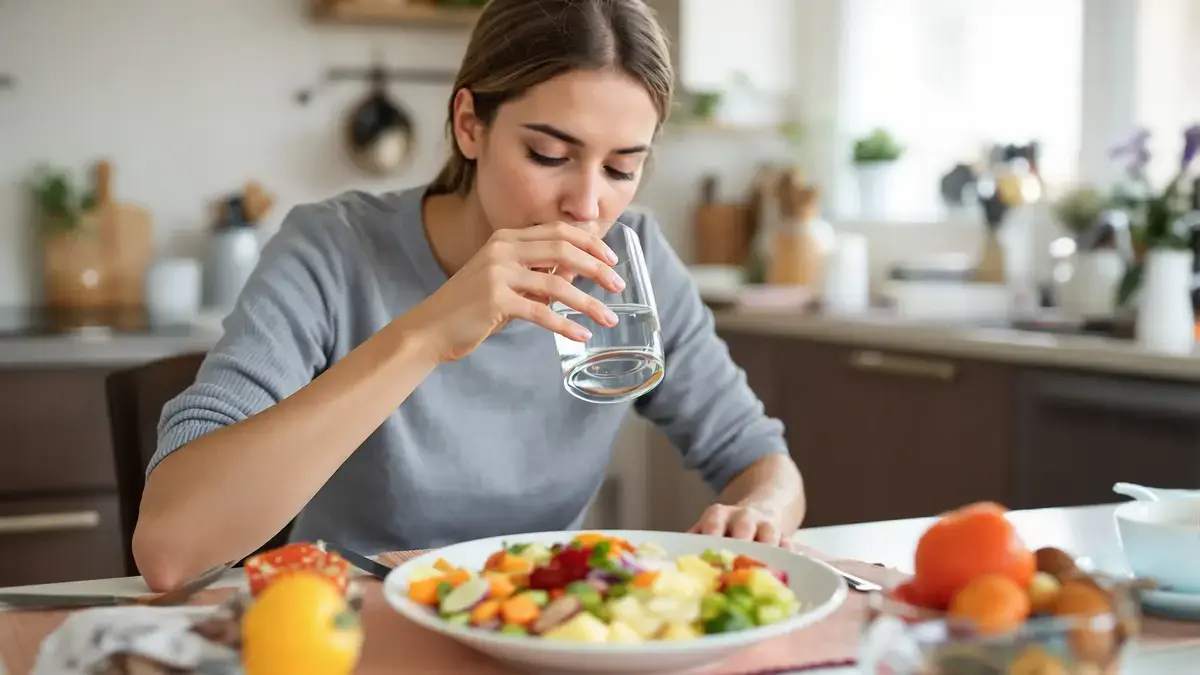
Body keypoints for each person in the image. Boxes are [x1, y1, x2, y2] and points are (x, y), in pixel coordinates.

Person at [133, 0, 805, 592]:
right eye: (548, 154)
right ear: (469, 124)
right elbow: (170, 547)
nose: (587, 204)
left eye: (623, 167)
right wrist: (427, 334)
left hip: (542, 630)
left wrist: (760, 511)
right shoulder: (332, 251)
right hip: (348, 631)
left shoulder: (638, 263)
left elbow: (763, 462)